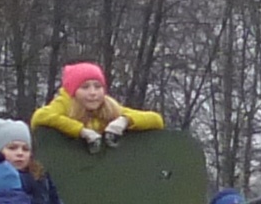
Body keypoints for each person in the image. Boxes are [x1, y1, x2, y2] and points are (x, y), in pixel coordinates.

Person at [31, 60, 164, 149]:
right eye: (85, 87)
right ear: (73, 91)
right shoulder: (64, 104)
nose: (93, 93)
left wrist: (125, 120)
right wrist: (80, 130)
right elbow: (40, 117)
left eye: (98, 86)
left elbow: (156, 120)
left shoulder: (109, 107)